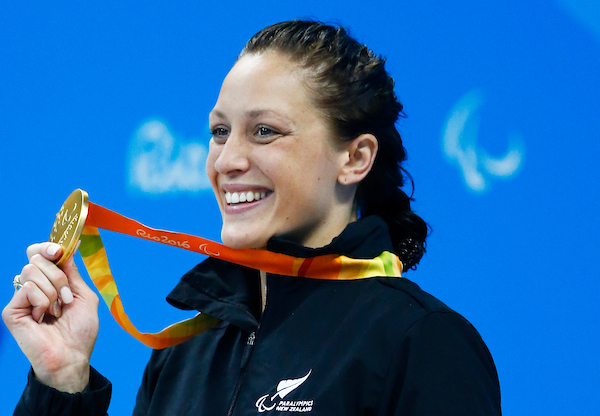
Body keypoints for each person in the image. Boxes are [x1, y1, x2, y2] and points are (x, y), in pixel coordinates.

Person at [2, 20, 501, 415]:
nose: (227, 161)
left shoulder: (422, 342)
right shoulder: (184, 350)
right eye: (220, 132)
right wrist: (61, 382)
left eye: (264, 131)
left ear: (354, 159)